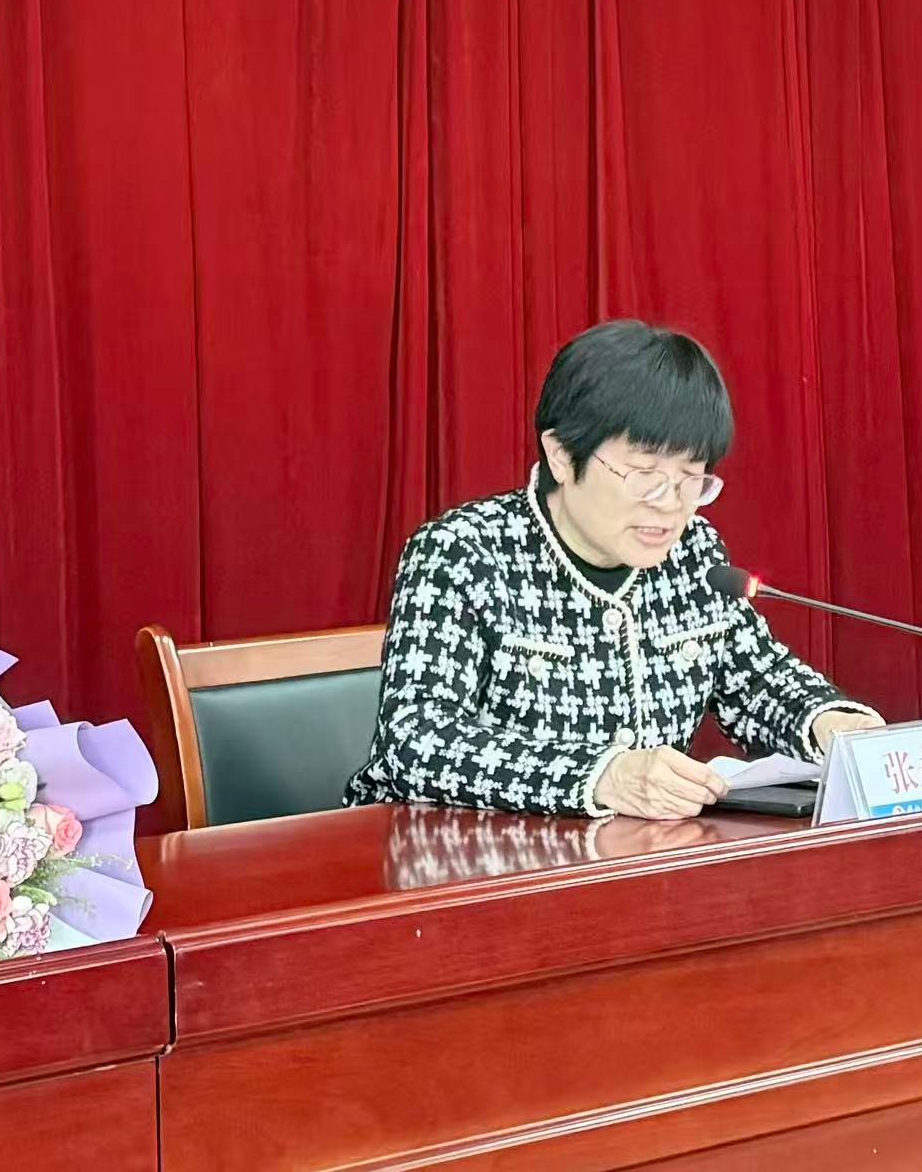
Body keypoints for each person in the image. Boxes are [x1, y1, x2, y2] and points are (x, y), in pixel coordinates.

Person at [345, 318, 882, 821]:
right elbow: (417, 742)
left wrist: (829, 724)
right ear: (561, 455)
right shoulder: (464, 552)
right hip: (450, 860)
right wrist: (602, 775)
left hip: (628, 860)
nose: (670, 505)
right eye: (644, 474)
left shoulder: (692, 552)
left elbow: (758, 682)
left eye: (692, 478)